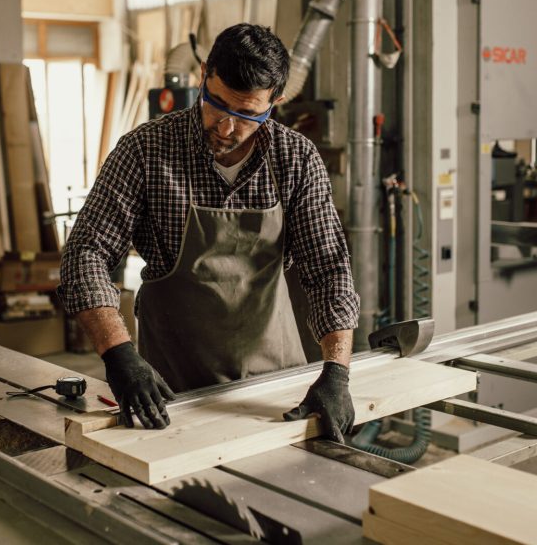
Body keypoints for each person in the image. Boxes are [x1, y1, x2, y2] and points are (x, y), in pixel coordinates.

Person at [58, 23, 360, 443]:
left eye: (249, 115)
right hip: (170, 388)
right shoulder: (145, 151)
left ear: (277, 101)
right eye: (216, 105)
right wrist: (119, 354)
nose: (226, 128)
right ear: (203, 75)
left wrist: (336, 372)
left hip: (273, 389)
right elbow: (86, 253)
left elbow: (328, 267)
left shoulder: (296, 159)